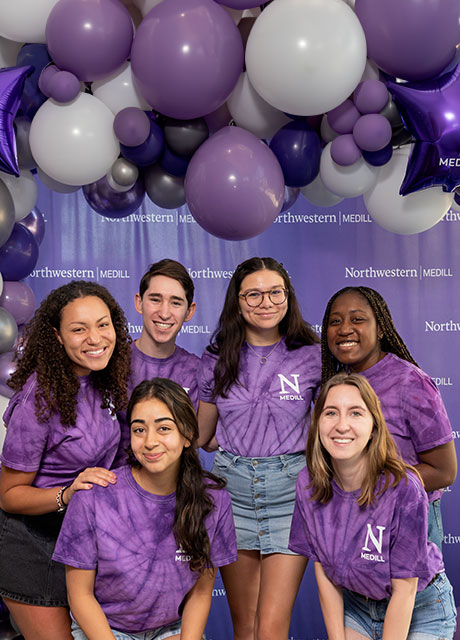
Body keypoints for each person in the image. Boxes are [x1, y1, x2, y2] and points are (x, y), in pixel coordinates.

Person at [53, 377, 237, 640]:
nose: (150, 441)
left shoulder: (213, 500)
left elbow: (201, 591)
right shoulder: (94, 497)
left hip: (171, 629)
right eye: (139, 430)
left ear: (187, 436)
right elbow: (80, 595)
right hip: (105, 628)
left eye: (164, 428)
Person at [0, 281, 131, 640]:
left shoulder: (107, 380)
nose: (95, 338)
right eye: (79, 329)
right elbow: (9, 495)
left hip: (84, 542)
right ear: (57, 337)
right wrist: (68, 494)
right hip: (32, 545)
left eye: (103, 325)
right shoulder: (39, 397)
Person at [198, 257, 321, 640]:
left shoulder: (312, 353)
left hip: (290, 492)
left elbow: (331, 425)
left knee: (270, 627)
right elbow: (202, 435)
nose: (265, 302)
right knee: (245, 625)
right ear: (237, 300)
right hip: (231, 492)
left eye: (274, 292)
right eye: (253, 293)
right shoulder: (218, 356)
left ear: (288, 297)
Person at [289, 372, 457, 640]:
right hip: (358, 607)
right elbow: (324, 571)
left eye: (356, 413)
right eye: (331, 412)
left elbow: (405, 591)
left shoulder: (404, 488)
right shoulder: (308, 483)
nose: (341, 425)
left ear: (374, 427)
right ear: (317, 423)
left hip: (420, 608)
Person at [321, 286, 456, 549]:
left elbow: (444, 471)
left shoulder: (410, 382)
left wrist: (373, 487)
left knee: (412, 592)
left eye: (357, 319)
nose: (344, 328)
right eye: (335, 321)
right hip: (349, 519)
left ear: (380, 328)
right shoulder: (332, 384)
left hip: (406, 520)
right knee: (354, 591)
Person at [112, 259, 199, 468]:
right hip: (114, 487)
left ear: (189, 311)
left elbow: (202, 440)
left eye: (176, 302)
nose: (165, 312)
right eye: (155, 299)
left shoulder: (198, 370)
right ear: (139, 302)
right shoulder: (110, 363)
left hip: (175, 490)